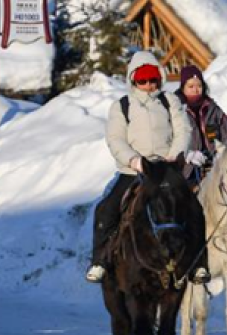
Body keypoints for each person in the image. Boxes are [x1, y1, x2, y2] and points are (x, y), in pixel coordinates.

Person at [86, 50, 210, 284]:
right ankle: (100, 260)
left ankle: (198, 263)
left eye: (153, 79)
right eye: (142, 81)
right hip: (134, 170)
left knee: (193, 208)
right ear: (133, 80)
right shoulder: (122, 106)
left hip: (166, 168)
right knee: (106, 209)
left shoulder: (169, 101)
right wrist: (134, 160)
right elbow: (115, 139)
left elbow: (183, 129)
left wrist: (174, 156)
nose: (148, 85)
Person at [174, 64, 227, 180]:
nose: (195, 90)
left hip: (214, 166)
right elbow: (170, 141)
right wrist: (188, 154)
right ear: (183, 88)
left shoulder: (213, 109)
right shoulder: (176, 110)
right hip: (187, 170)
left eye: (199, 85)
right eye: (191, 86)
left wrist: (223, 152)